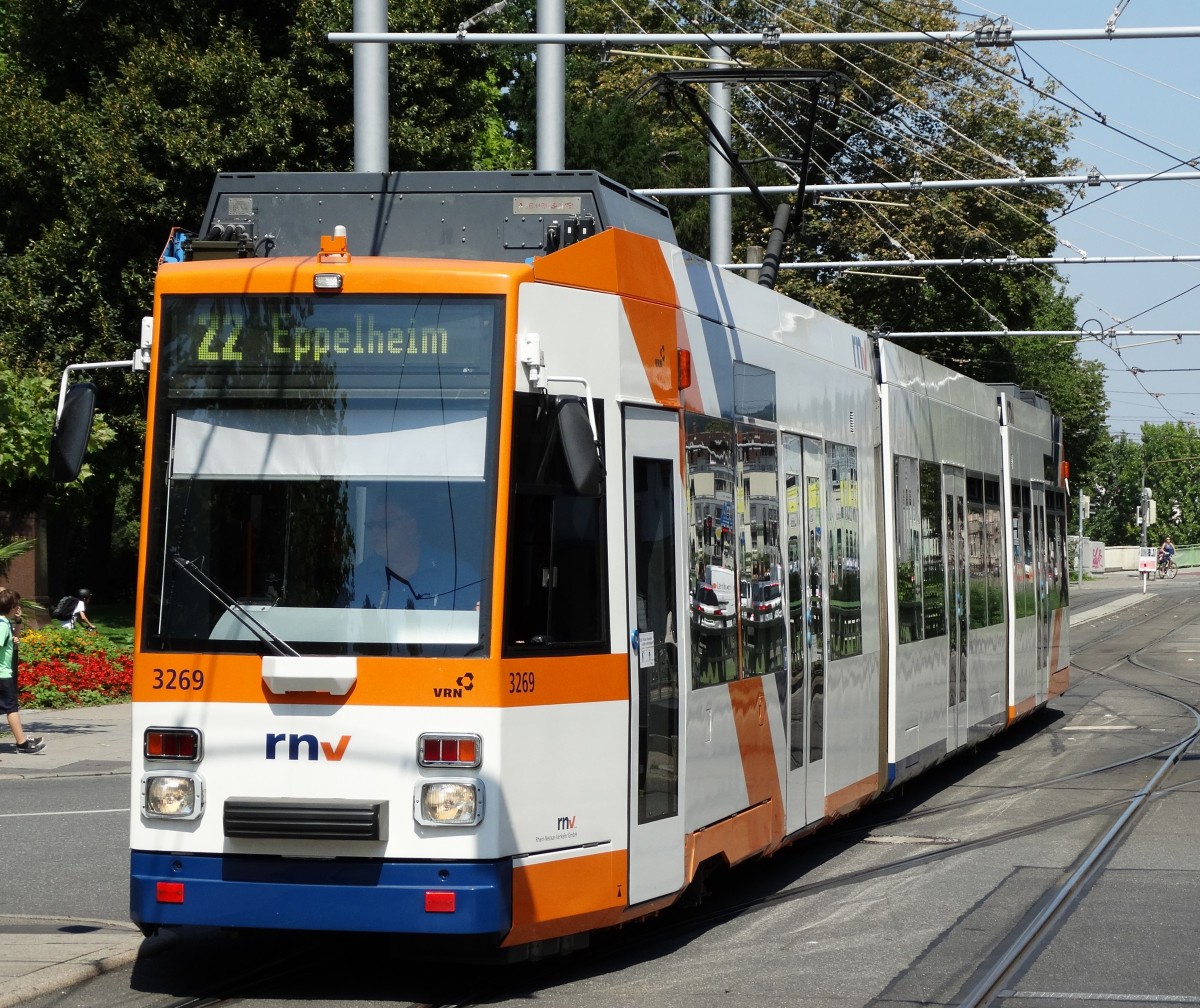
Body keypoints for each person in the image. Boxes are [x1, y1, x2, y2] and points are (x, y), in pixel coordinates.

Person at [345, 493, 479, 611]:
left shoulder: (457, 575)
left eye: (384, 524)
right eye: (372, 525)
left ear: (410, 526)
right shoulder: (358, 579)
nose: (375, 531)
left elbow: (482, 626)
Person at [0, 589, 45, 756]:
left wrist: (17, 623)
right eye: (17, 604)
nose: (19, 607)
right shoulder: (2, 625)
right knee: (11, 708)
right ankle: (22, 744)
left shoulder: (5, 623)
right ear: (12, 607)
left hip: (4, 673)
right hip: (2, 675)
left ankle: (23, 742)